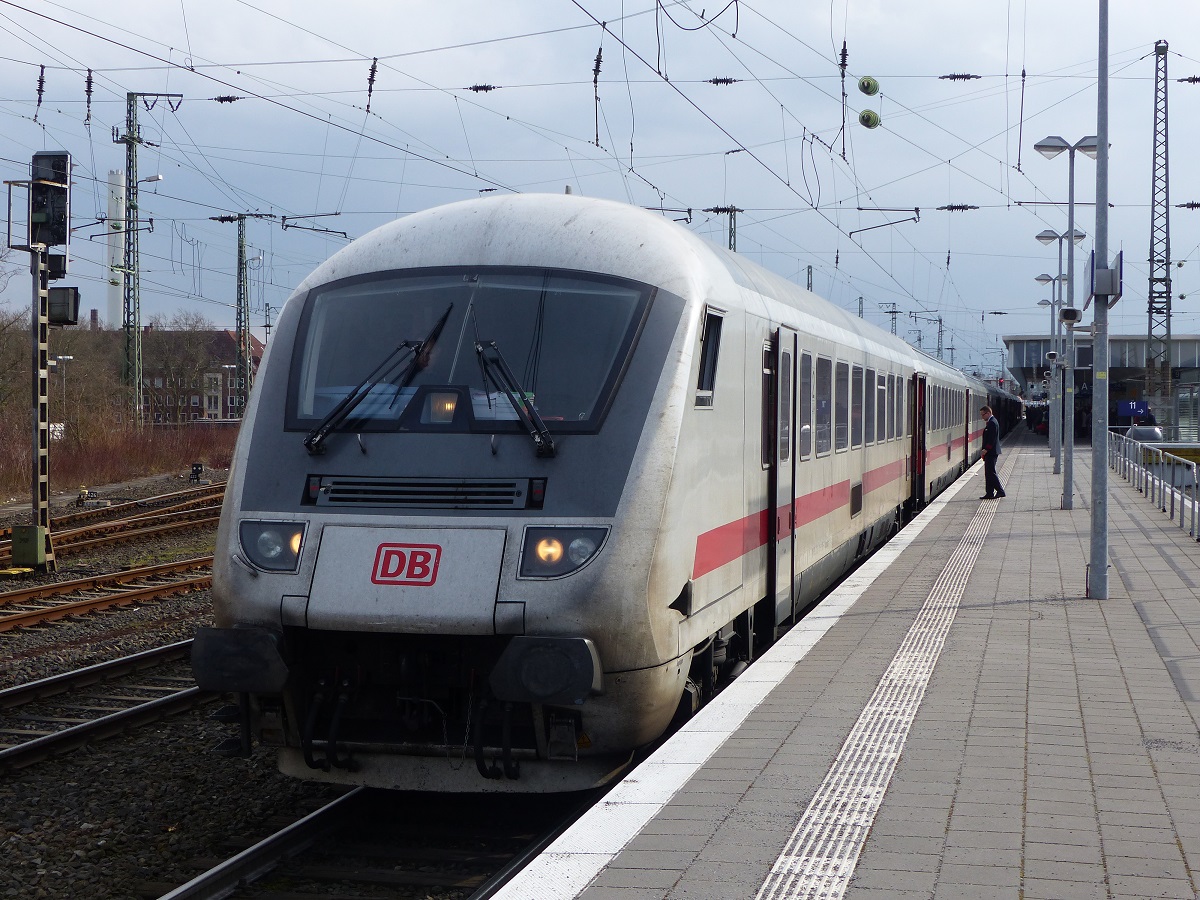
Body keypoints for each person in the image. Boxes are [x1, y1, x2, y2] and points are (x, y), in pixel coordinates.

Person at [980, 405, 1006, 499]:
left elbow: (992, 439)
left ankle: (1000, 491)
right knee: (988, 473)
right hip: (991, 452)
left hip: (991, 452)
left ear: (988, 413)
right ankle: (989, 493)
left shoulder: (992, 423)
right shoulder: (991, 422)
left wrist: (986, 449)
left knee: (990, 473)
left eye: (983, 415)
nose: (982, 417)